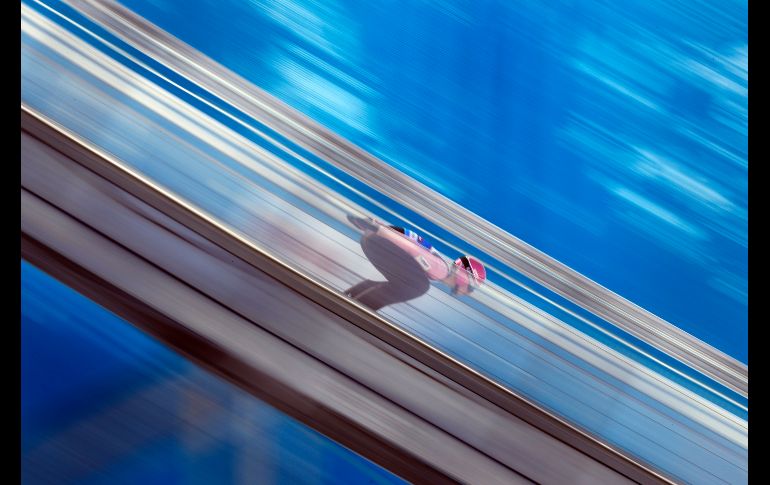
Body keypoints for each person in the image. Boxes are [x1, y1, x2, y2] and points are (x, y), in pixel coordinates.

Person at [345, 215, 486, 310]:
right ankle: (361, 306)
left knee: (407, 285)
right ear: (465, 279)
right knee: (419, 287)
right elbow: (413, 248)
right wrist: (379, 229)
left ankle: (354, 298)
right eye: (471, 288)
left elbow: (411, 239)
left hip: (373, 238)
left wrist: (375, 227)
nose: (467, 293)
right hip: (378, 241)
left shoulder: (437, 269)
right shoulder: (440, 270)